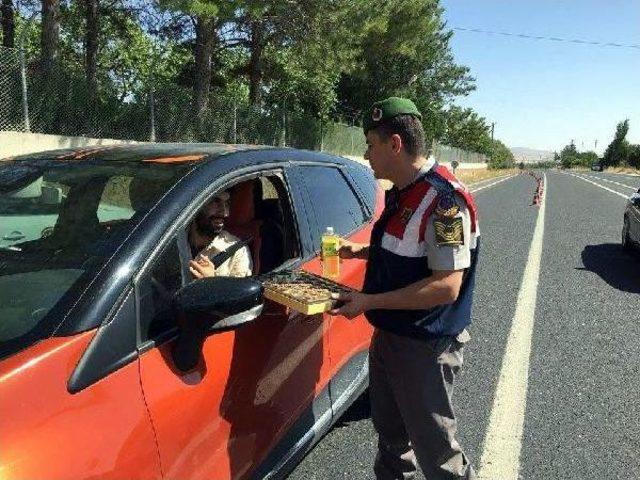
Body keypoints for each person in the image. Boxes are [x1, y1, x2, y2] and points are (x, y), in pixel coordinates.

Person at [332, 97, 479, 480]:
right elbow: (407, 251)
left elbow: (445, 286)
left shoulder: (445, 202)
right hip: (391, 336)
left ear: (395, 144)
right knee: (392, 442)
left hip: (424, 347)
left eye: (370, 144)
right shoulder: (403, 191)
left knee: (438, 454)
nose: (366, 155)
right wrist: (361, 251)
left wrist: (368, 302)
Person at [188, 190, 253, 279]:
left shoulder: (237, 250)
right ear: (197, 205)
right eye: (215, 201)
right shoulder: (173, 239)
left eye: (227, 204)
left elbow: (238, 292)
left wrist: (210, 282)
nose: (225, 213)